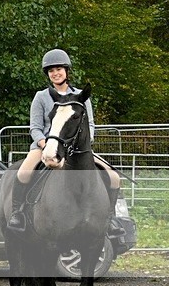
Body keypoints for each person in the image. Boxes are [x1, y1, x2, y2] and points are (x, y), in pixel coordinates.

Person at [7, 49, 124, 235]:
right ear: (48, 74)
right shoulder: (42, 97)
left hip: (77, 147)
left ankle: (110, 218)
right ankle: (17, 214)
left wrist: (85, 142)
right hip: (46, 146)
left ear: (66, 71)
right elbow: (35, 128)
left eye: (59, 69)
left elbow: (90, 124)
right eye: (51, 71)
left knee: (114, 177)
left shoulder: (80, 96)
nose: (55, 73)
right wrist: (45, 144)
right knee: (23, 173)